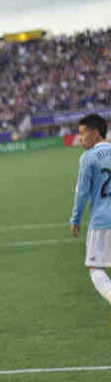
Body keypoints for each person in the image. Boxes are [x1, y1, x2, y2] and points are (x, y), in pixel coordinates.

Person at [70, 113, 111, 307]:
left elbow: (82, 193)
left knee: (95, 268)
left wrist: (75, 220)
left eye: (82, 134)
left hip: (102, 221)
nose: (80, 139)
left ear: (95, 134)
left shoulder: (88, 157)